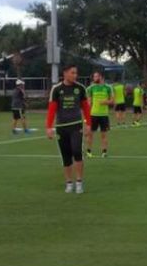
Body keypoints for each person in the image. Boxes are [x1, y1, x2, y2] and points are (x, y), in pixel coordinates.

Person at [46, 65, 92, 193]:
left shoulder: (80, 88)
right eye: (72, 73)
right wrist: (48, 127)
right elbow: (52, 110)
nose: (75, 75)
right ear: (65, 73)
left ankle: (79, 182)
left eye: (76, 73)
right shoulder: (56, 89)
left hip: (76, 125)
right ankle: (69, 182)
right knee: (66, 156)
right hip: (61, 127)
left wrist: (88, 124)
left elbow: (86, 108)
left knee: (77, 151)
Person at [86, 71, 113, 158]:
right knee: (90, 134)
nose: (94, 78)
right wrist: (86, 115)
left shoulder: (108, 87)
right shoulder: (91, 88)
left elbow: (112, 101)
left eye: (96, 76)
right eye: (94, 77)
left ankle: (104, 152)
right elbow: (88, 102)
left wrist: (106, 102)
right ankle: (88, 152)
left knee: (103, 135)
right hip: (93, 114)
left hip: (104, 115)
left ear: (101, 77)